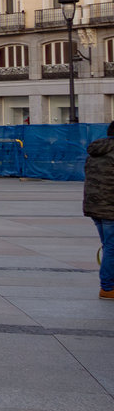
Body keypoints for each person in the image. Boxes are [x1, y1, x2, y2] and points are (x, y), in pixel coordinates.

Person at [83, 122, 114, 299]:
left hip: (94, 206)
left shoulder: (96, 151)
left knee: (108, 246)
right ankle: (107, 288)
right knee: (111, 248)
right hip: (110, 207)